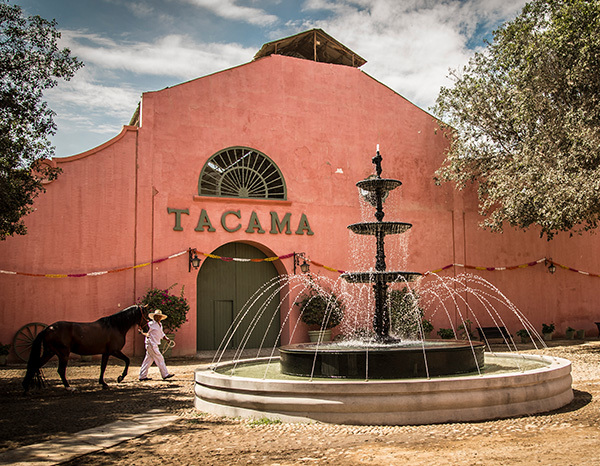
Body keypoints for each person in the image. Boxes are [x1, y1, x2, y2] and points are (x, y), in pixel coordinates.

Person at [138, 309, 174, 381]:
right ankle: (165, 374)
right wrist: (146, 334)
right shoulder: (151, 324)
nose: (158, 318)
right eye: (157, 316)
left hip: (153, 344)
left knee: (148, 360)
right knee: (160, 358)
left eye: (159, 317)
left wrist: (167, 339)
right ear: (154, 317)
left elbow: (161, 334)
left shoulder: (160, 325)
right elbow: (142, 330)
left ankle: (142, 376)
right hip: (151, 344)